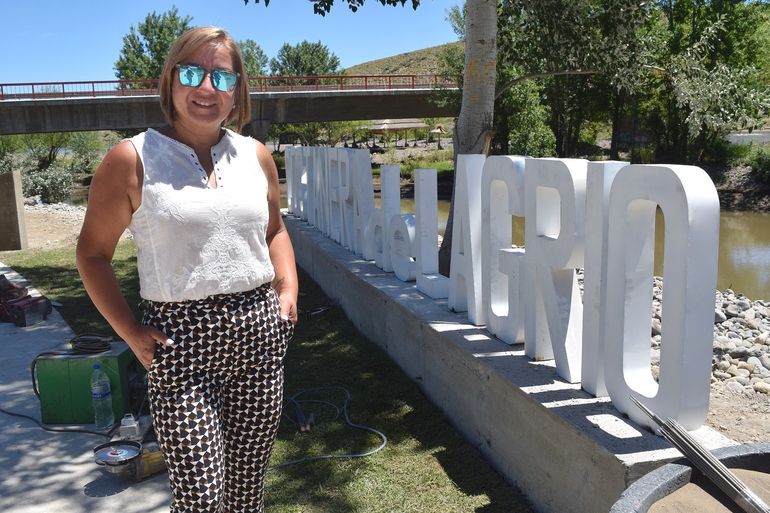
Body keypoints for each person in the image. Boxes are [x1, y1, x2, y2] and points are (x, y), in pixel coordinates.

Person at [76, 26, 298, 513]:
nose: (206, 88)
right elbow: (92, 255)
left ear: (237, 87)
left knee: (246, 490)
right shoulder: (131, 160)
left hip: (259, 335)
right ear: (170, 81)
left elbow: (276, 230)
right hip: (180, 343)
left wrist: (288, 288)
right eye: (193, 72)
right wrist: (130, 331)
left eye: (222, 76)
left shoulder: (255, 155)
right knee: (202, 496)